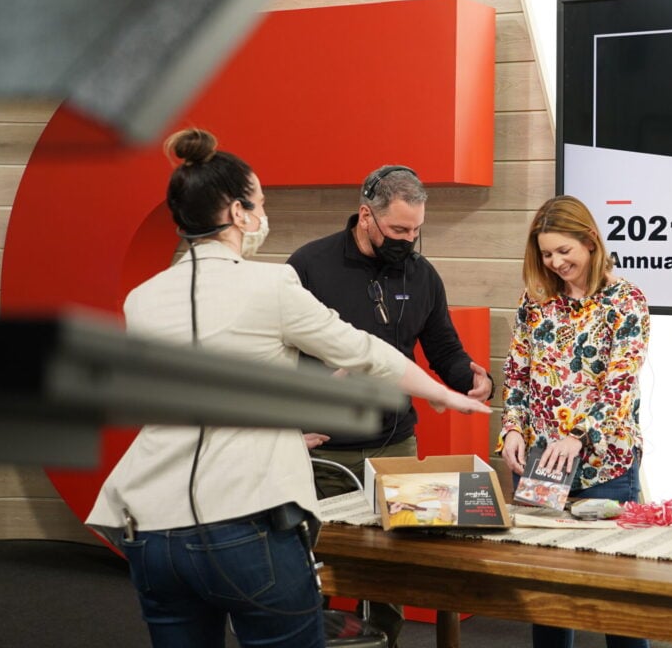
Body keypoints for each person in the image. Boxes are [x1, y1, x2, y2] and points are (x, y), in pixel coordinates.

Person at [86, 129, 489, 648]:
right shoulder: (275, 281)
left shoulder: (142, 298)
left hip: (151, 530)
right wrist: (445, 396)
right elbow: (364, 350)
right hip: (244, 524)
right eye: (261, 203)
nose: (263, 215)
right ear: (236, 212)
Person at [287, 164, 492, 647]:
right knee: (308, 568)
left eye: (417, 229)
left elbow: (442, 348)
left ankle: (388, 642)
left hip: (396, 444)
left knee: (391, 573)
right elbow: (279, 355)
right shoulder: (308, 266)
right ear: (365, 215)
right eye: (399, 229)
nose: (409, 239)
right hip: (322, 447)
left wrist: (474, 381)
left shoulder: (422, 275)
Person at [499, 195, 651, 648]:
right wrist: (511, 428)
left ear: (590, 241)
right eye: (547, 254)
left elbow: (621, 383)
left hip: (607, 468)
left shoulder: (626, 301)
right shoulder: (536, 300)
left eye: (564, 251)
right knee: (547, 596)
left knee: (617, 599)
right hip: (543, 465)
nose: (556, 262)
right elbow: (518, 373)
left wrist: (579, 435)